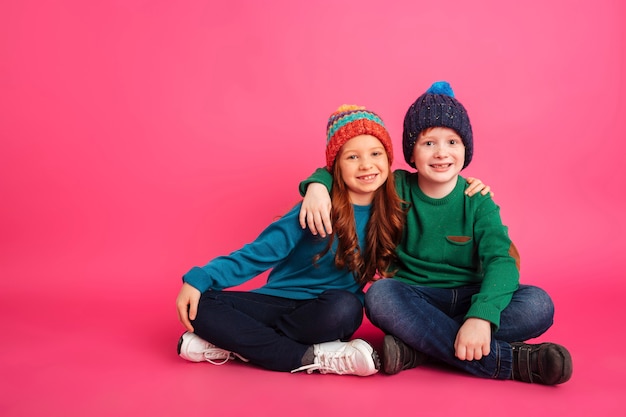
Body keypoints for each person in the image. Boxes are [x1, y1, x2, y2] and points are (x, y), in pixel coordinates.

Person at [298, 81, 573, 385]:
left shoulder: (477, 199)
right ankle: (514, 362)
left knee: (538, 304)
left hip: (472, 295)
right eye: (428, 143)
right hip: (416, 296)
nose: (441, 153)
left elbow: (501, 260)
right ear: (411, 154)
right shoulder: (395, 186)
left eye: (452, 142)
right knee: (379, 296)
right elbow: (349, 172)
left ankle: (417, 349)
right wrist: (316, 186)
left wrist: (480, 316)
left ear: (465, 150)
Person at [175, 104, 408, 376]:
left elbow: (434, 182)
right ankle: (304, 357)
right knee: (199, 306)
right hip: (278, 303)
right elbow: (256, 254)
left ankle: (239, 345)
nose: (366, 164)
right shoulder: (313, 208)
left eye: (376, 153)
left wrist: (470, 188)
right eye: (352, 157)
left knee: (347, 309)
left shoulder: (396, 208)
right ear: (335, 166)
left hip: (326, 312)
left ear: (388, 158)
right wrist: (200, 277)